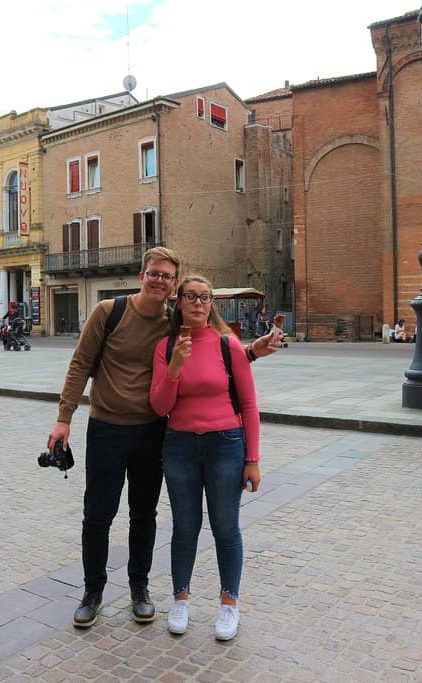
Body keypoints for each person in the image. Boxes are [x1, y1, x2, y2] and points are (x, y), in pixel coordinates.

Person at [47, 246, 282, 630]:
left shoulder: (174, 323)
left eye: (167, 276)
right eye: (154, 273)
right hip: (107, 426)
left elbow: (216, 348)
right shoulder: (109, 312)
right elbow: (80, 365)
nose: (160, 280)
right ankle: (93, 592)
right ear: (142, 276)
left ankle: (139, 589)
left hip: (153, 430)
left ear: (174, 285)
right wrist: (63, 419)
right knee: (98, 514)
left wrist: (252, 352)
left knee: (144, 514)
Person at [150, 276, 259, 641]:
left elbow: (248, 405)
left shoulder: (228, 345)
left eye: (204, 297)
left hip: (226, 444)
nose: (198, 303)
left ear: (211, 303)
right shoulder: (166, 346)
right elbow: (160, 405)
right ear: (178, 302)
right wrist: (175, 368)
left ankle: (229, 603)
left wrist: (253, 459)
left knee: (226, 527)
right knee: (184, 526)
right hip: (179, 445)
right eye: (190, 297)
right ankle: (180, 598)